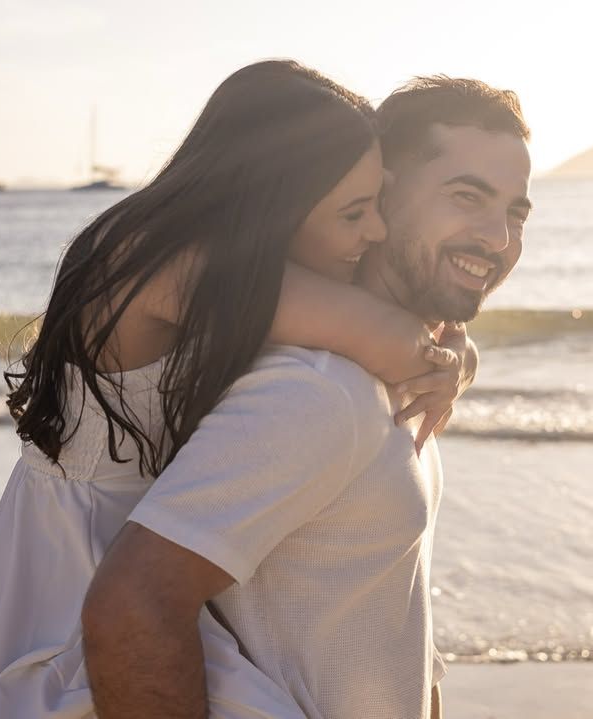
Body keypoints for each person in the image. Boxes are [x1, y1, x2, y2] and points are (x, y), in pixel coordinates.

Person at [0, 60, 474, 719]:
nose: (376, 231)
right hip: (72, 588)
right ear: (273, 202)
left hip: (137, 567)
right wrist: (445, 354)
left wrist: (453, 345)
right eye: (355, 211)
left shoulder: (220, 257)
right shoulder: (154, 259)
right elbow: (383, 337)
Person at [83, 75, 532, 718]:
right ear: (379, 195)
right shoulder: (317, 393)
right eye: (468, 197)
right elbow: (132, 603)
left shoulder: (393, 382)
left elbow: (395, 632)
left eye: (516, 211)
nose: (499, 237)